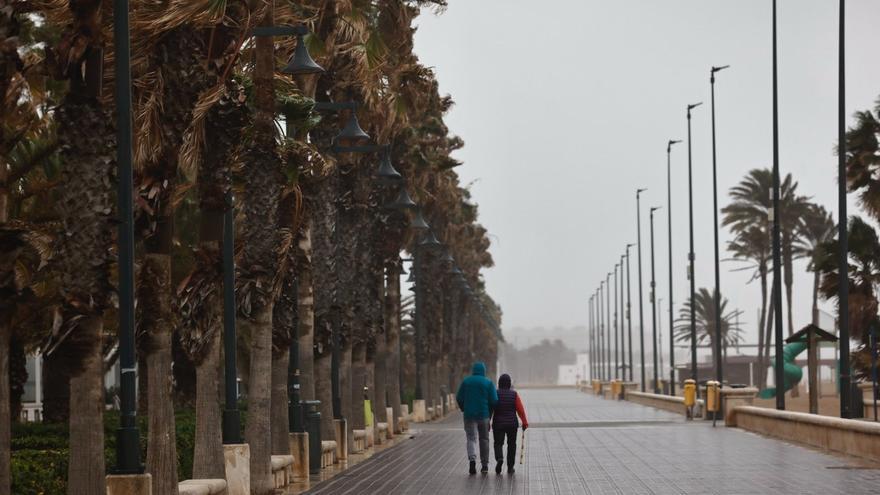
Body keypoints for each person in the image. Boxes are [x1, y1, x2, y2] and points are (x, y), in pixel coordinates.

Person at [456, 361, 498, 474]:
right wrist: (490, 414)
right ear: (484, 371)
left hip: (469, 415)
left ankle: (472, 462)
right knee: (484, 439)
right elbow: (494, 401)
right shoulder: (488, 383)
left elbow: (459, 398)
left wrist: (463, 408)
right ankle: (484, 465)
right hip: (484, 415)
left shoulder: (466, 382)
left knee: (471, 438)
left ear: (473, 370)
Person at [491, 373, 528, 474]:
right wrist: (524, 422)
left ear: (499, 383)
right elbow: (520, 410)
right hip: (512, 424)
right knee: (511, 445)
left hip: (498, 424)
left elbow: (491, 408)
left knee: (498, 443)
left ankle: (499, 458)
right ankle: (510, 467)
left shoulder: (495, 393)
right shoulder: (514, 394)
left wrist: (488, 421)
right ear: (509, 384)